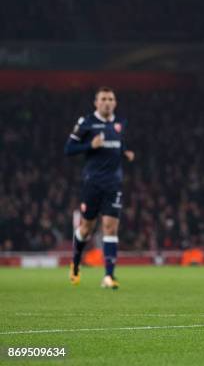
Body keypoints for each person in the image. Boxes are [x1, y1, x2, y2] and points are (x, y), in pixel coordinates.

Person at [65, 86, 135, 289]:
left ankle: (109, 276)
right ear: (96, 103)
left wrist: (125, 152)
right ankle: (75, 263)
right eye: (103, 99)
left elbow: (117, 144)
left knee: (110, 227)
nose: (107, 102)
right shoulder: (86, 123)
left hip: (114, 184)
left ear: (115, 103)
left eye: (111, 99)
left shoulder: (120, 123)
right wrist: (90, 146)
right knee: (86, 229)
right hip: (92, 183)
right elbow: (68, 149)